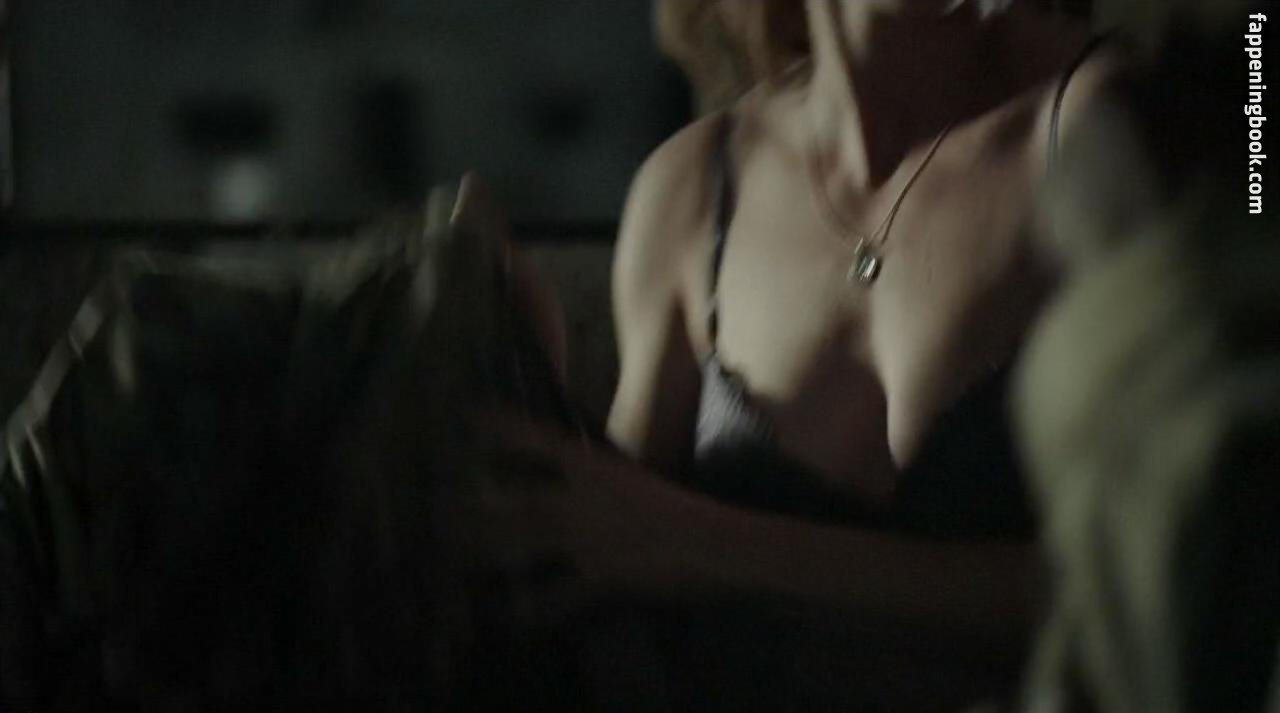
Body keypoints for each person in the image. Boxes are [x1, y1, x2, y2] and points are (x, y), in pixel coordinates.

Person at [468, 0, 1128, 710]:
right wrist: (527, 370)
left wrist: (705, 544)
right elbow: (613, 563)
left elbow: (1144, 584)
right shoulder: (694, 187)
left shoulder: (1106, 131)